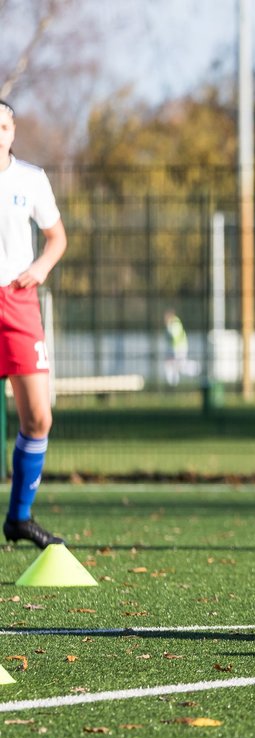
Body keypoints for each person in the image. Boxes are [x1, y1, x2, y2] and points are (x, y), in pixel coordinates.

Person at [0, 99, 67, 548]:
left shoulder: (30, 179)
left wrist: (41, 268)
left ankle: (19, 518)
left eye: (2, 126)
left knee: (38, 417)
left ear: (12, 130)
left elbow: (57, 237)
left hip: (19, 304)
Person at [163, 309, 189, 386]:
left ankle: (198, 369)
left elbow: (174, 337)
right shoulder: (172, 324)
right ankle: (173, 383)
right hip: (175, 349)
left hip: (179, 349)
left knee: (181, 367)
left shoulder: (175, 324)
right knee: (171, 365)